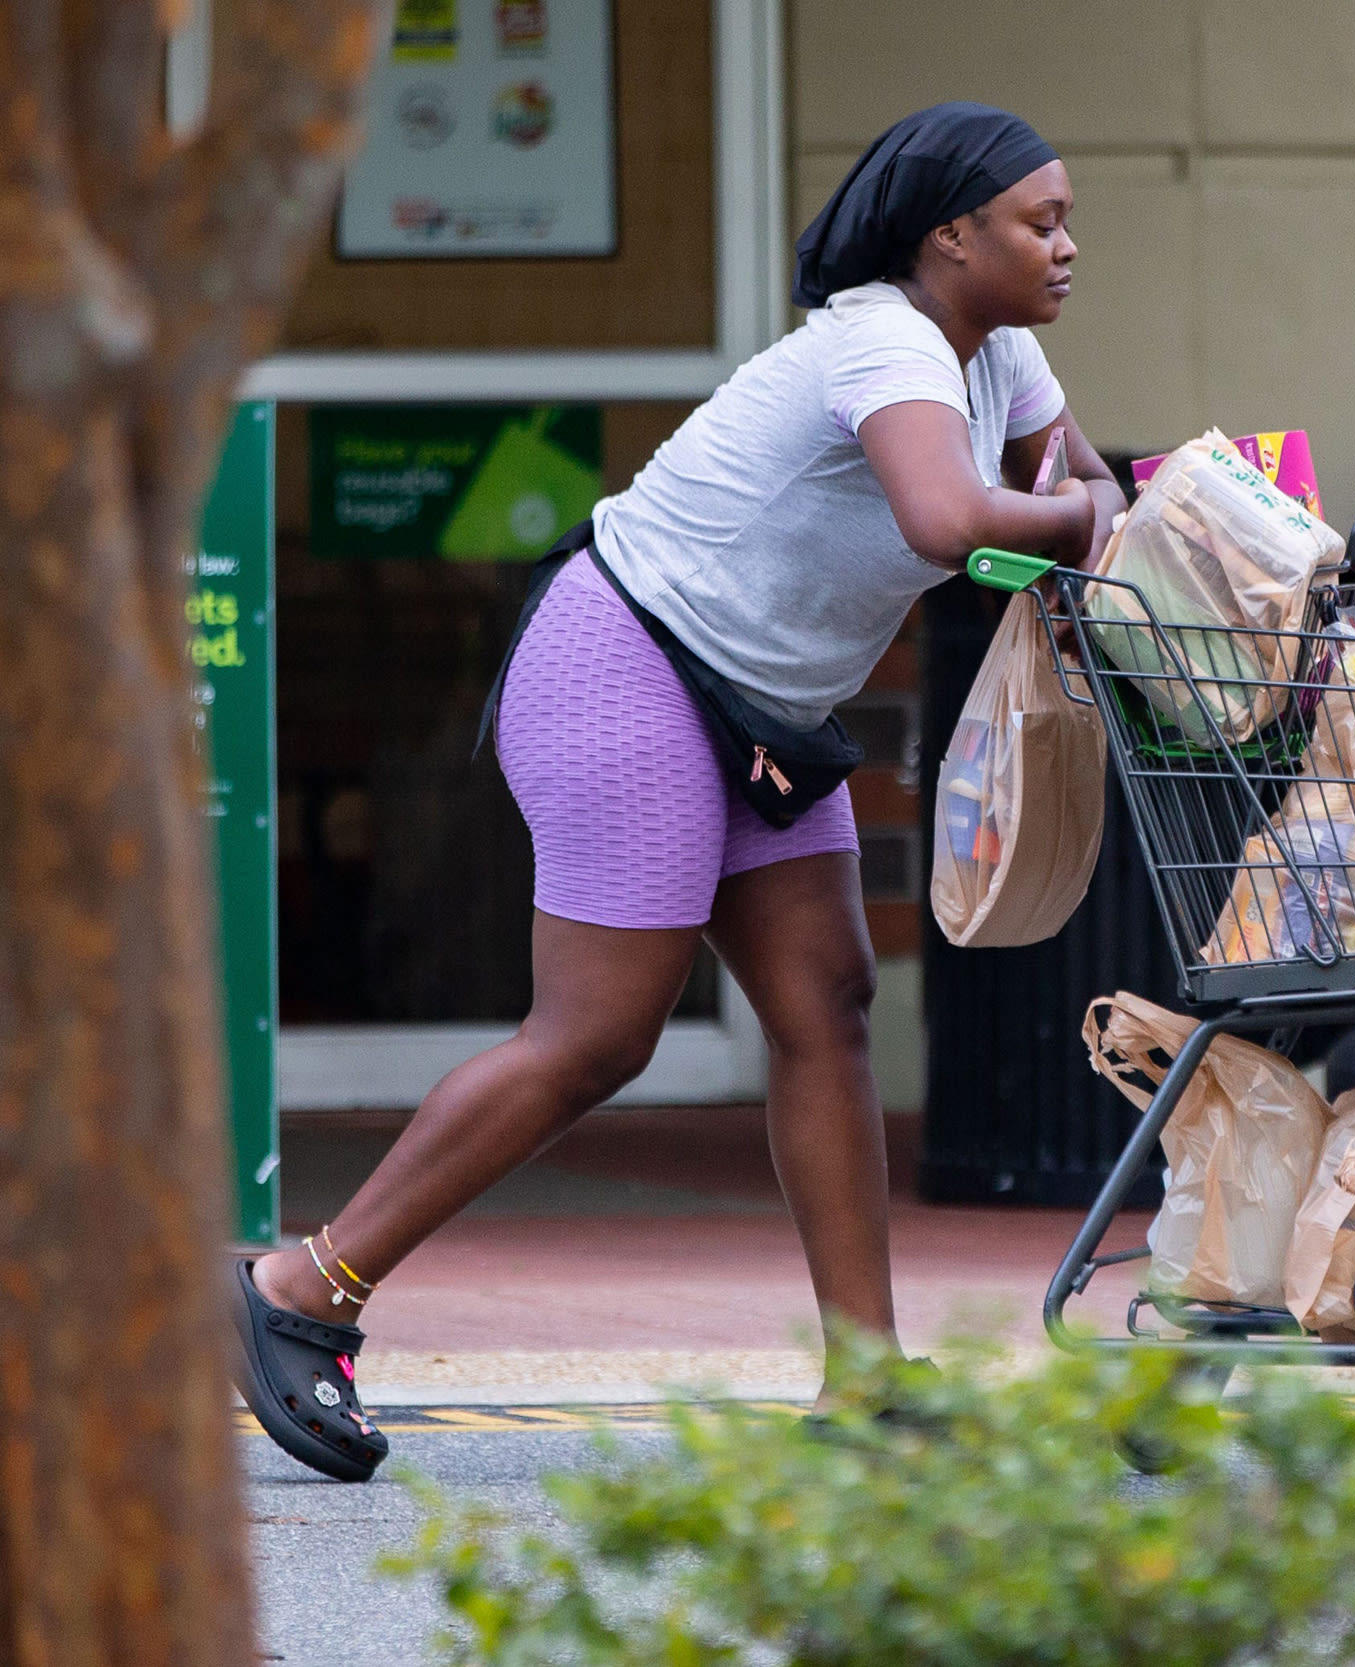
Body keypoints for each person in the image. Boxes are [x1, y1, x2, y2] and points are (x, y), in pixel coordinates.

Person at [228, 102, 1125, 1482]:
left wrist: (1108, 495)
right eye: (1039, 222)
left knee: (825, 1002)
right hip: (630, 662)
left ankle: (867, 1378)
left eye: (1066, 221)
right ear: (951, 235)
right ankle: (306, 1285)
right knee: (598, 1036)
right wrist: (1079, 518)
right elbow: (955, 521)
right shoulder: (884, 337)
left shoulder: (997, 353)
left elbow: (1068, 476)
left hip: (761, 706)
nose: (1067, 247)